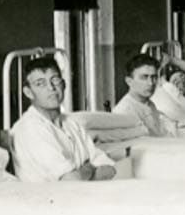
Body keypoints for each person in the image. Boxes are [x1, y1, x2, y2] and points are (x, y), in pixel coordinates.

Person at [9, 54, 116, 182]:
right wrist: (91, 166)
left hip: (83, 192)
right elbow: (72, 181)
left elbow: (110, 168)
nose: (51, 88)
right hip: (50, 194)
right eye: (40, 83)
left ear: (63, 84)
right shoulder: (30, 128)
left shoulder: (71, 124)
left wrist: (83, 172)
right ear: (28, 92)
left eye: (55, 80)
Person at [113, 52, 176, 138]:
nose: (151, 83)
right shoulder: (125, 111)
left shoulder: (148, 103)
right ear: (129, 81)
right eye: (144, 77)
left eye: (154, 77)